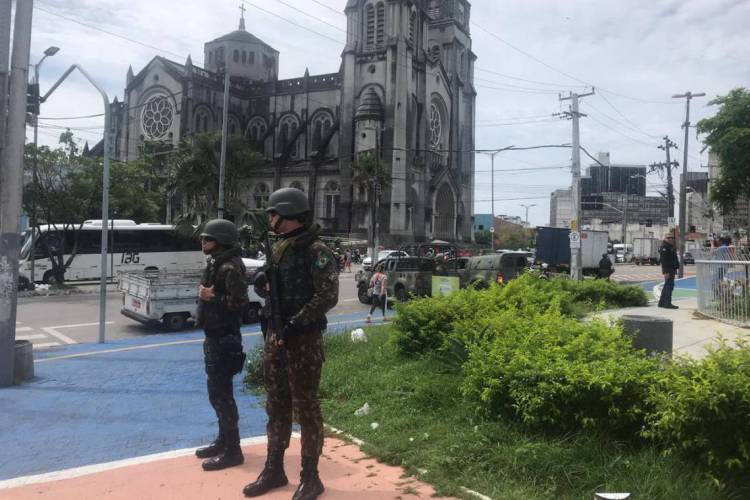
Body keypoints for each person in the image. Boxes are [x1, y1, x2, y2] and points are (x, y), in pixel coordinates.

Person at [244, 187, 339, 500]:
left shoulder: (316, 250)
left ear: (286, 213)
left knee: (306, 408)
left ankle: (311, 477)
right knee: (277, 405)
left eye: (272, 212)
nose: (269, 218)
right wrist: (262, 283)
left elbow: (327, 296)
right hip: (278, 337)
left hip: (303, 340)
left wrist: (295, 323)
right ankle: (274, 468)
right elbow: (272, 288)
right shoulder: (280, 248)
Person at [194, 219, 249, 471]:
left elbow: (240, 302)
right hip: (215, 336)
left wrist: (211, 296)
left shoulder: (228, 267)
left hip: (225, 338)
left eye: (208, 238)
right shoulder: (216, 263)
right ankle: (223, 441)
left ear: (221, 241)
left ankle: (233, 450)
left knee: (223, 394)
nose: (203, 242)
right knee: (216, 392)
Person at [658, 233, 680, 309]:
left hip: (672, 268)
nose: (671, 239)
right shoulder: (664, 247)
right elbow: (664, 261)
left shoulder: (669, 246)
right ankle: (667, 303)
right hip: (668, 269)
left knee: (667, 286)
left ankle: (661, 303)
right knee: (669, 286)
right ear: (665, 238)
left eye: (672, 237)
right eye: (669, 237)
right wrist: (665, 272)